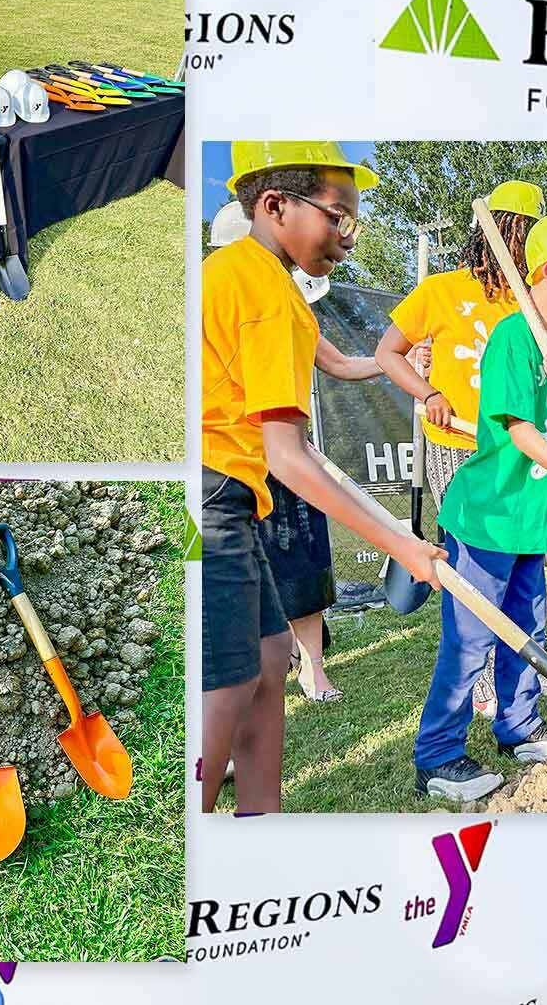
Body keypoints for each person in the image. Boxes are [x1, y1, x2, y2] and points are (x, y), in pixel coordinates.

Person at [201, 140, 445, 813]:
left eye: (352, 222)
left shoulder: (252, 278)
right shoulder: (266, 294)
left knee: (274, 649)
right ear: (275, 205)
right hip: (216, 489)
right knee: (228, 679)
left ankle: (260, 814)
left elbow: (337, 364)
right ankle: (196, 811)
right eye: (337, 216)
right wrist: (400, 542)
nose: (347, 237)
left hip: (226, 487)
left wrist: (400, 367)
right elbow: (287, 454)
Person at [416, 209, 547, 801]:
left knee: (527, 626)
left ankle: (518, 726)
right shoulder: (513, 335)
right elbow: (519, 432)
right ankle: (436, 756)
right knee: (470, 639)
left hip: (533, 519)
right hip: (489, 515)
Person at [375, 179, 547, 719]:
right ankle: (477, 677)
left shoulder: (532, 307)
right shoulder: (442, 292)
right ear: (488, 233)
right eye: (511, 233)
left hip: (515, 453)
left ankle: (508, 676)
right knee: (471, 570)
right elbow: (388, 353)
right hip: (456, 447)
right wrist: (429, 392)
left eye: (526, 236)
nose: (517, 247)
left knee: (515, 569)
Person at [262, 335, 383, 703]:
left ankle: (312, 666)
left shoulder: (294, 309)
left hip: (289, 448)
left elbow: (341, 363)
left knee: (304, 556)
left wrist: (395, 360)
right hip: (226, 453)